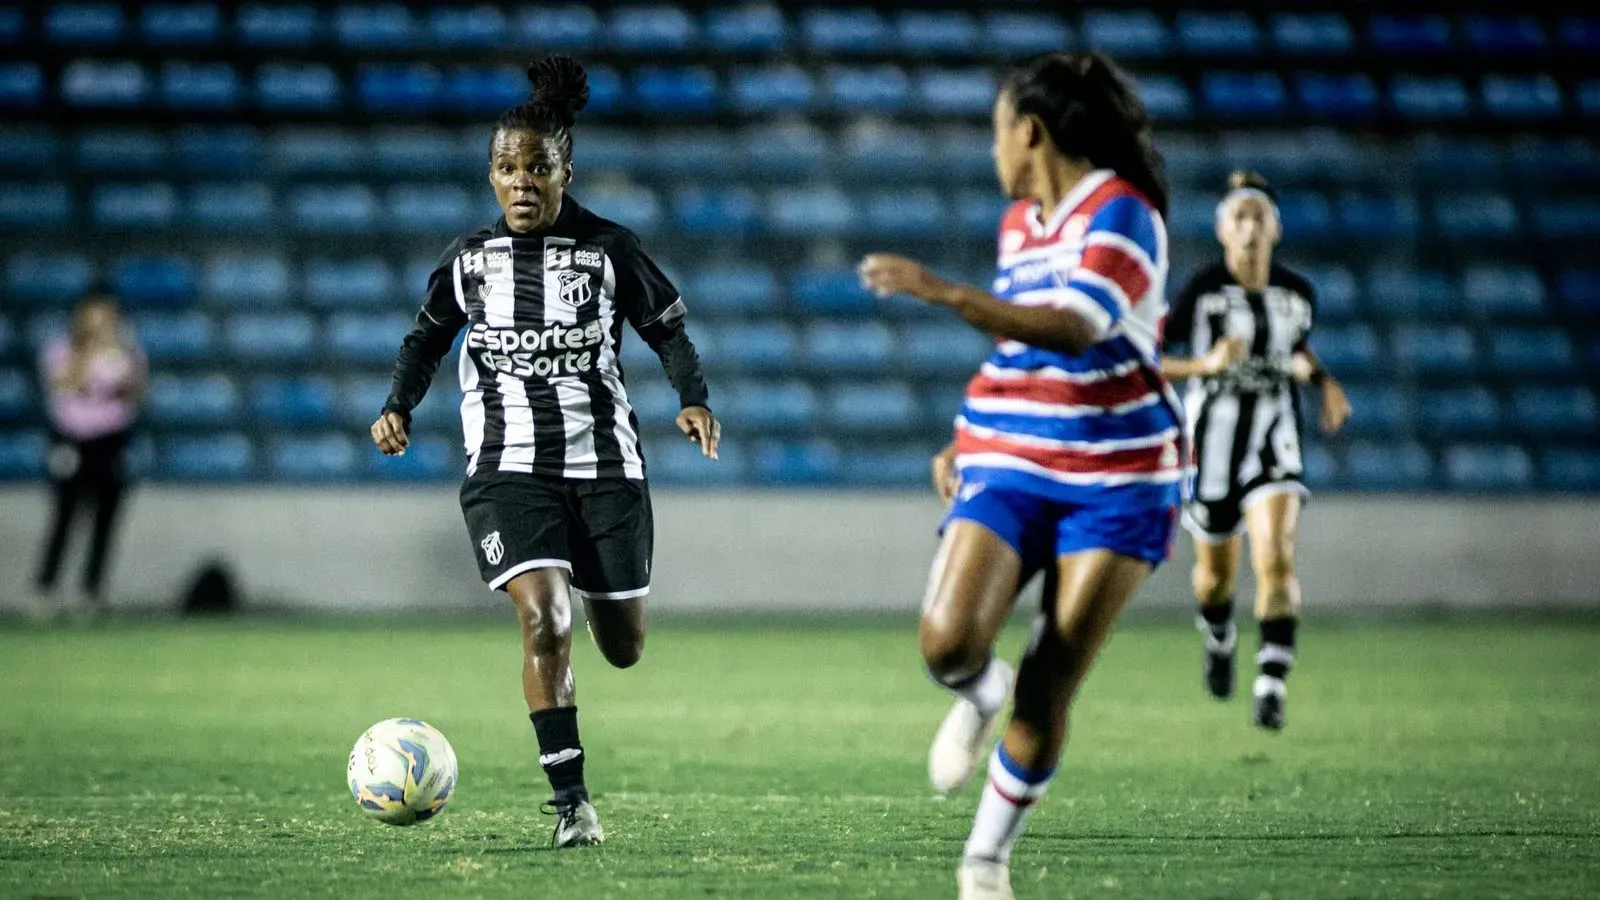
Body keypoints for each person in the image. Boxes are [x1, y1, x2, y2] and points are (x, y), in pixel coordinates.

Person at [370, 54, 719, 849]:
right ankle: (572, 804)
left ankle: (594, 604)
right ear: (491, 178)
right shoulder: (469, 262)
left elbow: (668, 332)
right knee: (545, 618)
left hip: (606, 468)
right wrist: (397, 406)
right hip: (506, 471)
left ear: (566, 171)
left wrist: (692, 398)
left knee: (623, 648)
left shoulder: (610, 251)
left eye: (538, 167)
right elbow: (424, 341)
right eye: (506, 168)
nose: (521, 182)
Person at [858, 52, 1181, 900]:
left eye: (996, 128)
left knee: (1050, 682)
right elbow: (1020, 347)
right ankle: (977, 688)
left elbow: (1072, 328)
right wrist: (966, 432)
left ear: (1028, 131)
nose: (992, 147)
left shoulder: (1123, 212)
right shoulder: (1019, 224)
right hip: (1013, 456)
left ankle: (985, 861)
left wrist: (944, 293)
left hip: (1119, 477)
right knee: (948, 642)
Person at [1160, 170, 1352, 731]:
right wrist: (1204, 366)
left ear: (1275, 228)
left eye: (1258, 217)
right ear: (1222, 229)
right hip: (1211, 445)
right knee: (1215, 578)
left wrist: (1325, 382)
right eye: (1239, 218)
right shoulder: (1199, 292)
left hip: (1274, 436)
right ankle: (1218, 637)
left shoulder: (1297, 294)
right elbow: (1151, 356)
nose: (1249, 228)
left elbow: (1297, 351)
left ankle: (1271, 682)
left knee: (1275, 553)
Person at [34, 291, 146, 619]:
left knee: (106, 519)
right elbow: (66, 385)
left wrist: (116, 356)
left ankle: (92, 590)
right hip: (73, 439)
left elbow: (133, 391)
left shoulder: (126, 350)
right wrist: (88, 353)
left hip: (111, 440)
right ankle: (47, 588)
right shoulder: (61, 349)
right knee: (65, 517)